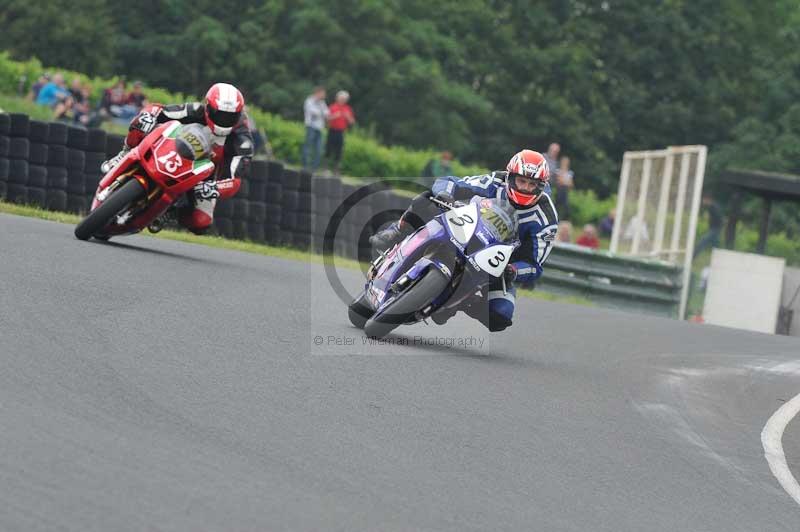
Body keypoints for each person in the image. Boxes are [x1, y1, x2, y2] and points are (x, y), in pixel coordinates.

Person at [369, 149, 558, 332]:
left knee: (500, 316)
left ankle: (462, 301)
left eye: (532, 184)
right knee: (429, 197)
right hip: (467, 226)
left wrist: (514, 271)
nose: (525, 188)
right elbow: (450, 182)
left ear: (541, 185)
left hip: (498, 262)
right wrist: (446, 194)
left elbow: (534, 265)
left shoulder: (546, 219)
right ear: (510, 177)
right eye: (521, 181)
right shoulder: (496, 181)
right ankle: (397, 230)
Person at [101, 82, 253, 235]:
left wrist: (214, 188)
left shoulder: (243, 141)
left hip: (205, 175)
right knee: (141, 122)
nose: (223, 120)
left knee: (201, 222)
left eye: (230, 117)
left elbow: (235, 181)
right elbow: (158, 109)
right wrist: (148, 116)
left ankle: (169, 212)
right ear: (208, 107)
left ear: (238, 114)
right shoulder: (195, 110)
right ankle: (123, 154)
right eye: (219, 114)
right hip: (172, 149)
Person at [325, 90, 355, 175]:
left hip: (341, 132)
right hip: (332, 130)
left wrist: (348, 117)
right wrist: (334, 116)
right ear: (337, 98)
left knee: (339, 151)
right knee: (328, 149)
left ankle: (336, 170)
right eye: (341, 98)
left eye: (345, 99)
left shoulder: (347, 109)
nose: (343, 100)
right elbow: (326, 118)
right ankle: (326, 168)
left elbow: (352, 122)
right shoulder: (332, 107)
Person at [302, 86, 328, 172]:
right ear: (318, 93)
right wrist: (322, 114)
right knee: (308, 147)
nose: (324, 95)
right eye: (323, 93)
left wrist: (322, 114)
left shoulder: (322, 103)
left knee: (319, 149)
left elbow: (327, 113)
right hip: (311, 126)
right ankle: (305, 166)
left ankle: (314, 168)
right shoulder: (309, 100)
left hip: (319, 128)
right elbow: (314, 113)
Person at [554, 155, 574, 220]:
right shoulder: (558, 171)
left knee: (566, 207)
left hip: (565, 192)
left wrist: (564, 181)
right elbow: (559, 182)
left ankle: (564, 219)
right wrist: (566, 181)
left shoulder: (569, 172)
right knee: (557, 206)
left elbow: (571, 185)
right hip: (559, 191)